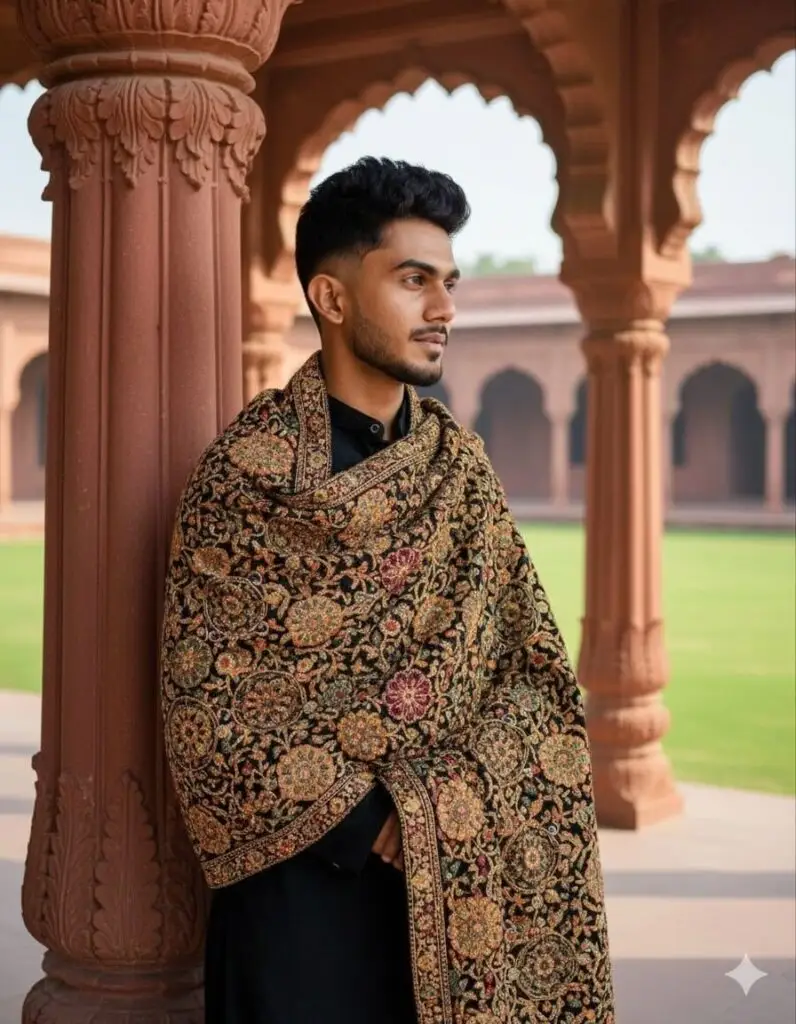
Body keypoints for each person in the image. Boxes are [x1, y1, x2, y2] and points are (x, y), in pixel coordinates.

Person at [161, 157, 615, 1024]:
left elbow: (533, 665)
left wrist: (450, 812)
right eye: (414, 281)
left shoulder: (461, 472)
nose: (445, 309)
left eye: (448, 283)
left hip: (466, 898)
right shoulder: (246, 483)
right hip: (299, 905)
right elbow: (210, 713)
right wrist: (385, 823)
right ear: (331, 300)